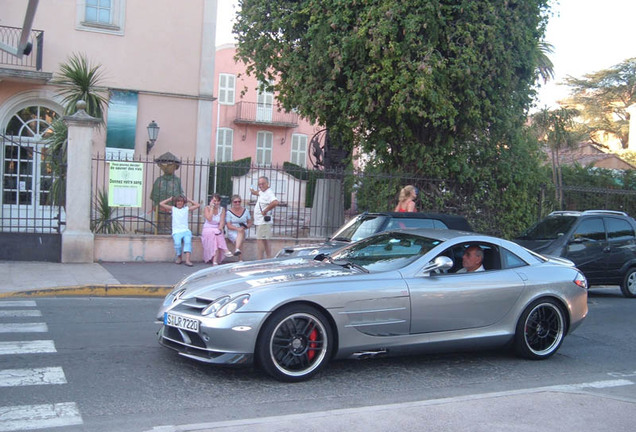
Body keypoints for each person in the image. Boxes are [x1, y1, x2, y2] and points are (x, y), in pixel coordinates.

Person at [159, 195, 200, 267]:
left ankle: (187, 260)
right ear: (176, 202)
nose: (179, 203)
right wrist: (169, 199)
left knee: (188, 242)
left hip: (185, 230)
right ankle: (179, 257)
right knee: (177, 244)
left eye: (181, 201)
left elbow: (197, 205)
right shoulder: (173, 209)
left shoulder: (186, 209)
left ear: (183, 202)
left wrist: (189, 200)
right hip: (176, 231)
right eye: (178, 201)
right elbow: (161, 204)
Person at [250, 176, 279, 259]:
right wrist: (252, 191)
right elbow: (258, 193)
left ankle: (260, 260)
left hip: (263, 222)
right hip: (260, 222)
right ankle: (268, 259)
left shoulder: (269, 193)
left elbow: (275, 202)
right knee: (265, 240)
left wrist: (265, 211)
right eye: (259, 184)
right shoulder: (263, 192)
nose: (261, 185)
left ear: (268, 184)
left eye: (263, 184)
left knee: (260, 240)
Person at [201, 193, 230, 265]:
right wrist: (211, 208)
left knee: (216, 239)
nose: (216, 203)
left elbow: (222, 221)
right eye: (214, 201)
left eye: (218, 201)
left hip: (216, 228)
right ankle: (225, 250)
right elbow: (209, 219)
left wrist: (220, 228)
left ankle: (215, 261)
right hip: (208, 228)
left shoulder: (222, 209)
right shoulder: (206, 208)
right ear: (211, 201)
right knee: (216, 235)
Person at [225, 194, 252, 261]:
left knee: (241, 232)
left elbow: (250, 222)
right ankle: (240, 258)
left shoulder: (246, 211)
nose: (237, 203)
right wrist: (237, 228)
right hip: (233, 230)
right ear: (232, 202)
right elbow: (228, 225)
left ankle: (237, 249)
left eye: (239, 201)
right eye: (235, 202)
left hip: (243, 229)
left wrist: (245, 227)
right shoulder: (229, 212)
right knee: (240, 235)